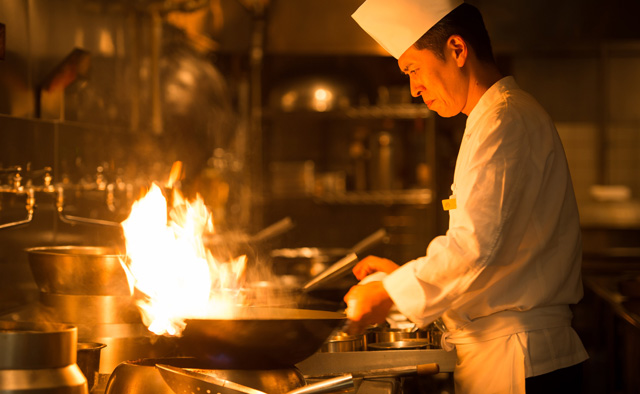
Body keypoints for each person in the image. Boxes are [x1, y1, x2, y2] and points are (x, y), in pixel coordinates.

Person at [344, 1, 589, 393]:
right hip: (503, 358)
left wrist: (391, 293)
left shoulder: (506, 120)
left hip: (521, 365)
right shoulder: (488, 119)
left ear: (457, 50)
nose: (413, 88)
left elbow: (474, 247)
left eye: (413, 69)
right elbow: (491, 252)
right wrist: (400, 278)